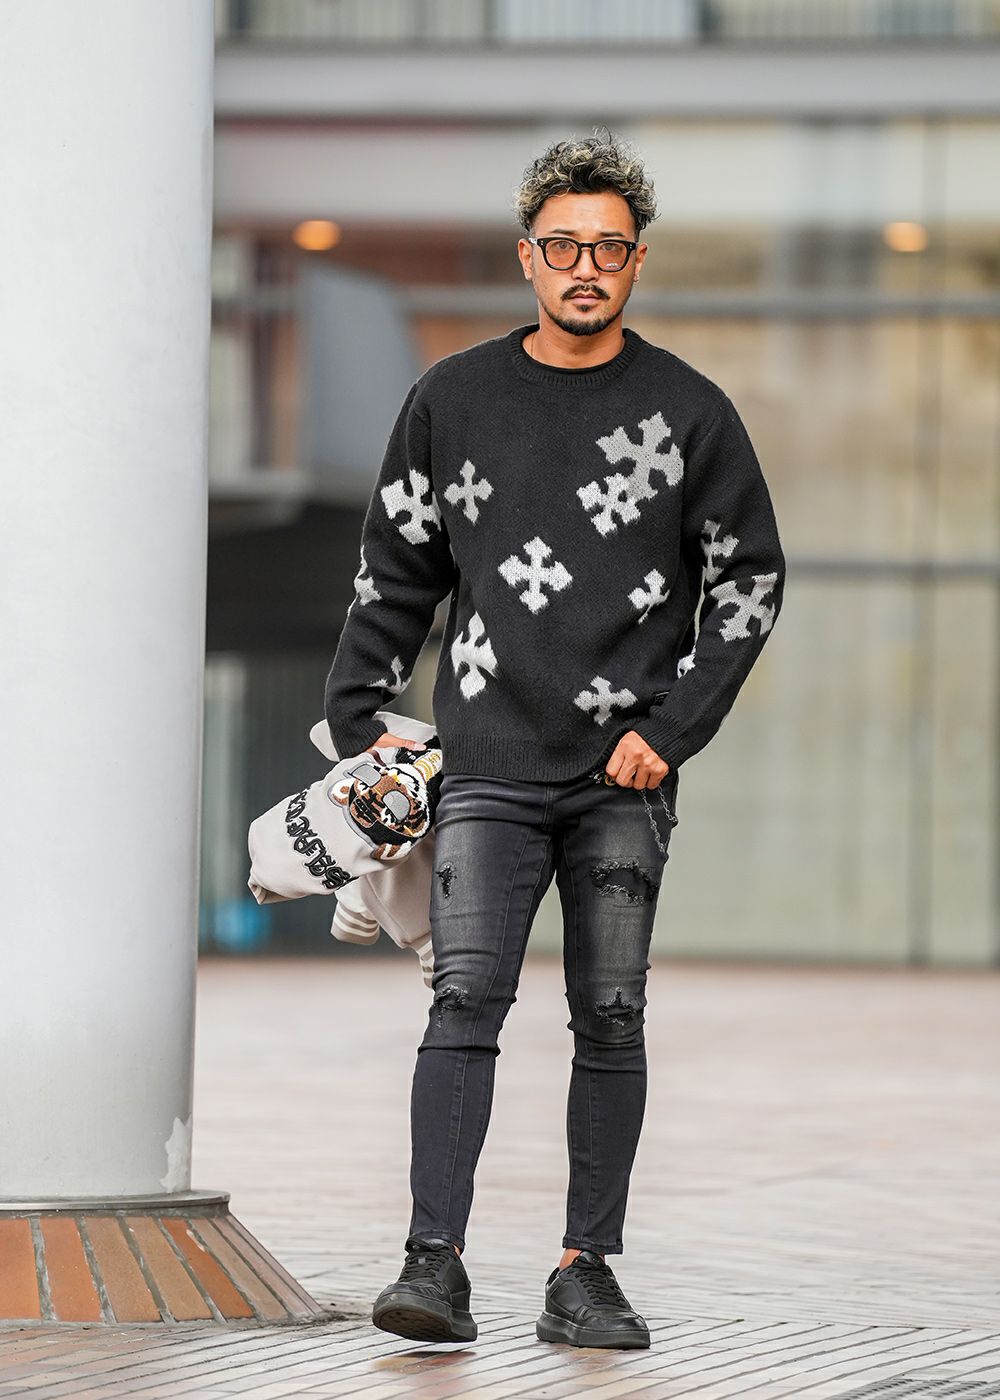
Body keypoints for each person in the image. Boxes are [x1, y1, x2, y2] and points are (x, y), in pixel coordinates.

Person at [324, 129, 786, 1350]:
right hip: (485, 760)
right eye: (565, 245)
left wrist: (672, 729)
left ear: (636, 261)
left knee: (612, 1014)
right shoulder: (454, 399)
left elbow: (748, 580)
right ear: (527, 256)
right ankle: (433, 1263)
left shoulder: (688, 411)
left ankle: (585, 1271)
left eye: (610, 248)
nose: (587, 266)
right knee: (462, 999)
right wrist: (359, 719)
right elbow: (396, 567)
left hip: (621, 777)